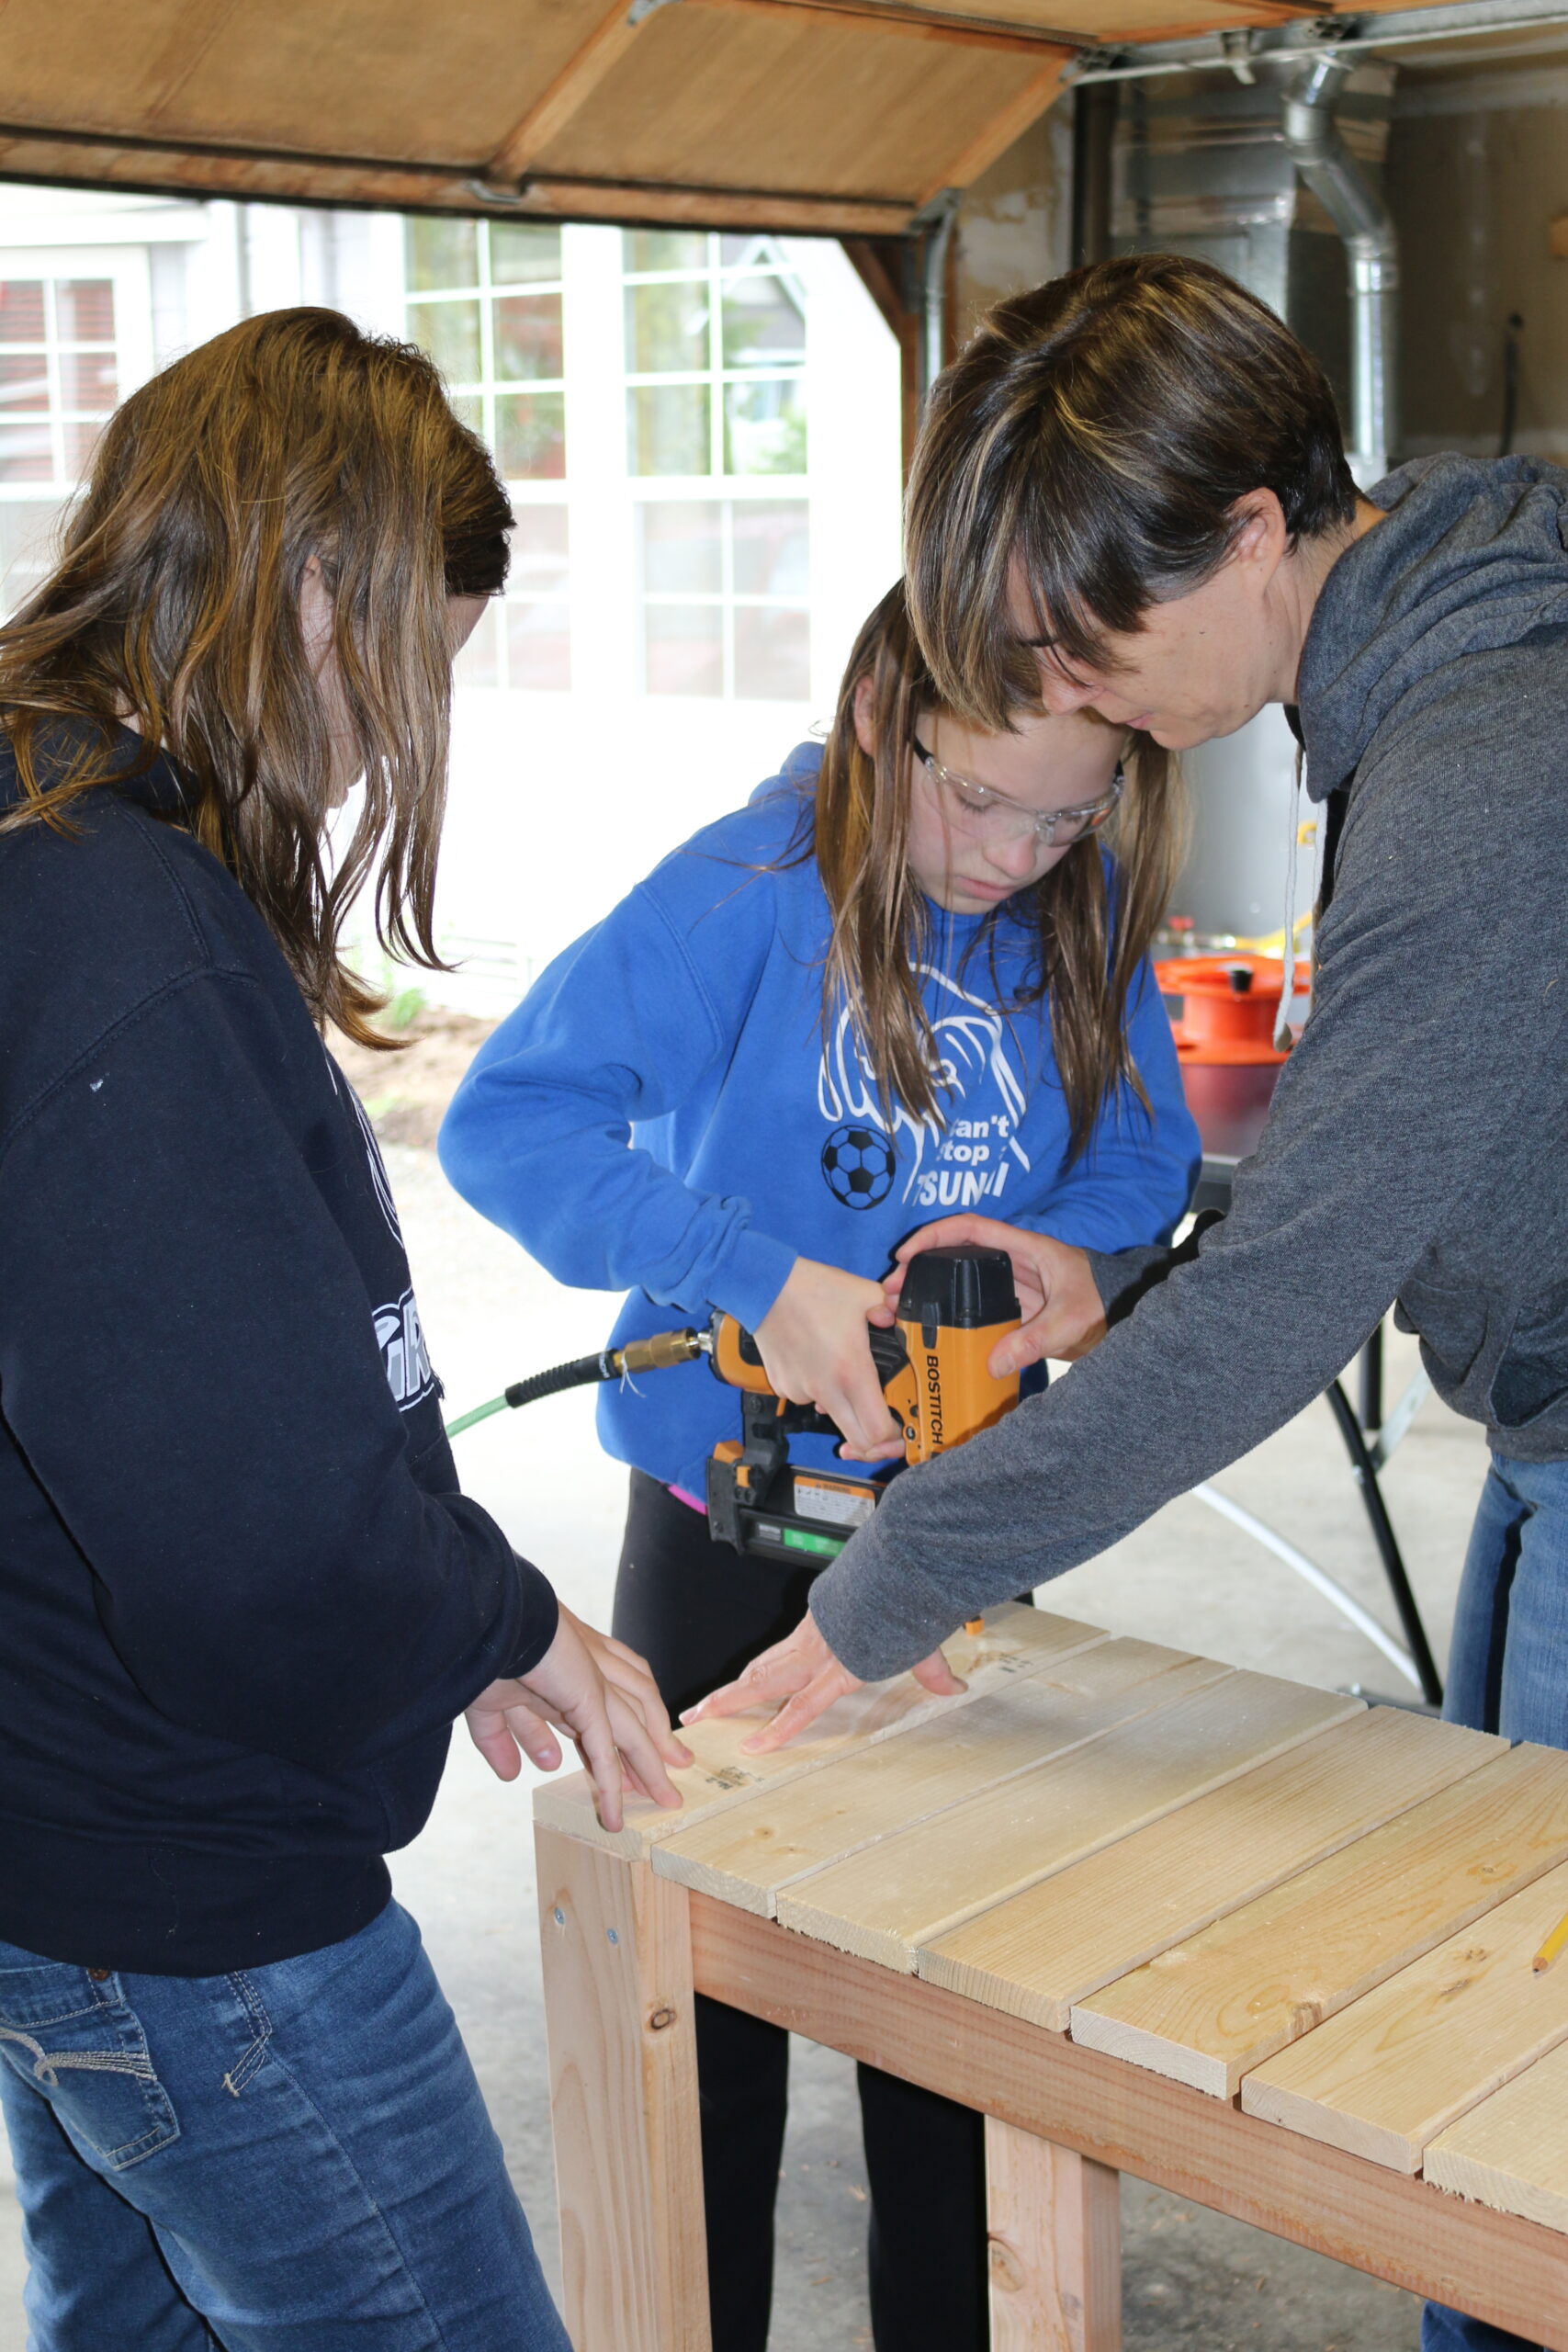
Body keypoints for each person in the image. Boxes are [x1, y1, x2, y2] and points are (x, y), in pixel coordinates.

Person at [686, 256, 1568, 2352]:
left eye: (1092, 631)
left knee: (1498, 2128)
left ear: (1252, 530)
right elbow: (1412, 1144)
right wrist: (1147, 1271)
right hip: (1537, 1428)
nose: (1075, 688)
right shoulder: (1448, 656)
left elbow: (1288, 1307)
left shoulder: (1470, 761)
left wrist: (899, 1568)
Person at [0, 307, 686, 2352]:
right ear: (312, 585)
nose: (389, 740)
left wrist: (429, 1621)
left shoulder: (47, 841)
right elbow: (249, 1521)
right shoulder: (112, 932)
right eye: (403, 673)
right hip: (189, 1895)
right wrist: (490, 1613)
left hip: (64, 1847)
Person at [437, 578, 1200, 2351]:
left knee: (948, 2018)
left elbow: (1146, 1150)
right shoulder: (748, 894)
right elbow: (507, 1123)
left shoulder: (1079, 899)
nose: (1016, 852)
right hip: (722, 1531)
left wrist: (1071, 1252)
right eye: (978, 797)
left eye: (1070, 809)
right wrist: (755, 1278)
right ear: (884, 712)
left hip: (958, 1525)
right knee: (711, 2016)